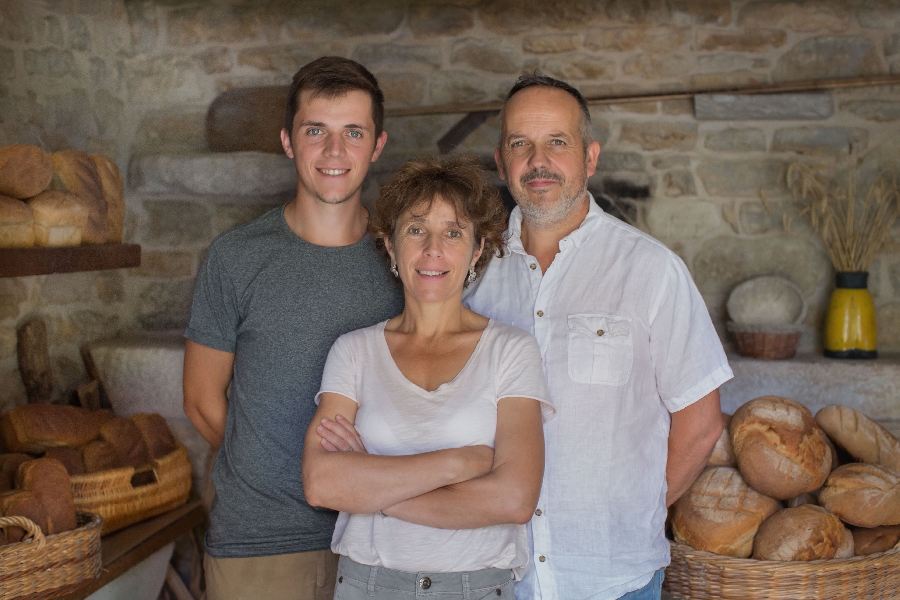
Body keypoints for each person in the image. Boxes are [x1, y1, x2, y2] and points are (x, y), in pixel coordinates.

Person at [463, 75, 733, 600]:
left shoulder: (652, 270)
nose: (538, 161)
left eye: (557, 143)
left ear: (590, 158)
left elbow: (701, 424)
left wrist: (637, 513)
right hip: (494, 575)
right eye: (520, 144)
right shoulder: (472, 273)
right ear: (500, 161)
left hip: (614, 579)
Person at [182, 56, 403, 600]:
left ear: (377, 145)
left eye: (353, 132)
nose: (334, 152)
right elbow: (202, 401)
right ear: (287, 141)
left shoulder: (406, 262)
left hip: (382, 538)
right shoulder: (236, 257)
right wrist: (275, 471)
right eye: (315, 131)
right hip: (262, 545)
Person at [302, 155, 556, 600]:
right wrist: (458, 463)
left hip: (477, 588)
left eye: (453, 232)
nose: (433, 248)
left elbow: (513, 500)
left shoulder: (511, 350)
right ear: (390, 244)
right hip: (367, 585)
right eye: (416, 229)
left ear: (477, 249)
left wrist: (371, 488)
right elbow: (322, 483)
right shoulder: (354, 351)